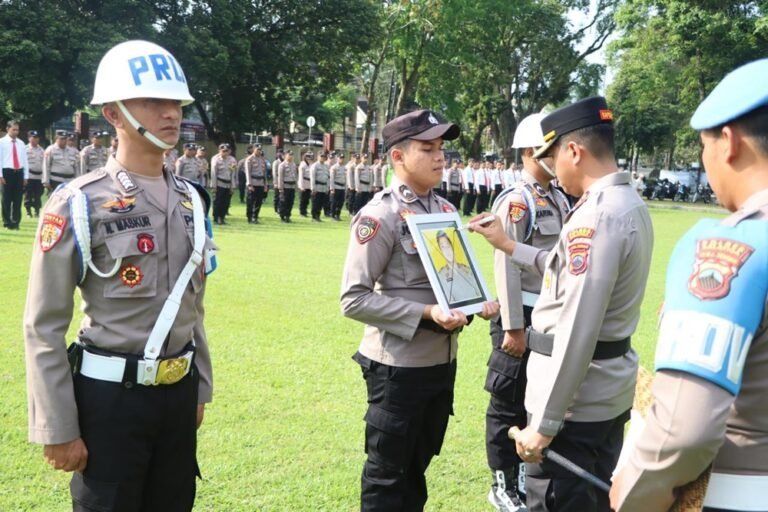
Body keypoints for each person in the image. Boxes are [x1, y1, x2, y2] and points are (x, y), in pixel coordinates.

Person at [23, 39, 215, 511]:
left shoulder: (192, 200)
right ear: (113, 114)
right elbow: (43, 324)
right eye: (152, 101)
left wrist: (199, 387)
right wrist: (57, 425)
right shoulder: (77, 203)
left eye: (177, 103)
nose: (171, 113)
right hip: (109, 401)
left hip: (177, 396)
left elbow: (193, 306)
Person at [470, 96, 653, 512]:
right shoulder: (626, 203)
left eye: (553, 158)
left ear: (574, 151)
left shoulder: (597, 216)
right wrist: (509, 245)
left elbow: (577, 331)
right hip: (603, 395)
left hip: (575, 407)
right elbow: (563, 270)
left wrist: (545, 424)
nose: (552, 169)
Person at [610, 59, 768, 512]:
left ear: (729, 142)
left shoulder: (731, 248)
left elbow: (684, 429)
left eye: (703, 145)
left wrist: (634, 493)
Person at [341, 109, 499, 511]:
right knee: (387, 476)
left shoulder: (445, 211)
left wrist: (478, 303)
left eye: (441, 148)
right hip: (398, 368)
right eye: (427, 149)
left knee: (417, 468)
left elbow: (454, 281)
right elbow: (353, 299)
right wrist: (427, 314)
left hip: (440, 363)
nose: (440, 157)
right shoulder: (380, 216)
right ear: (398, 157)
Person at [484, 113, 571, 512]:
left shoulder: (557, 197)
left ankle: (522, 478)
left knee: (532, 402)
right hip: (520, 317)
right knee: (507, 403)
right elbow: (506, 263)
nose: (557, 156)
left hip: (548, 318)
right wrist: (513, 326)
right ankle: (502, 483)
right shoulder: (517, 201)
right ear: (529, 152)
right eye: (550, 150)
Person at [434, 229, 482, 302]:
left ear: (452, 247)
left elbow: (480, 292)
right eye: (443, 247)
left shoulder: (467, 269)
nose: (447, 250)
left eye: (448, 245)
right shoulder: (441, 276)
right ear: (441, 251)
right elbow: (451, 302)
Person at [0, 120, 29, 229]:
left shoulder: (21, 143)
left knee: (17, 199)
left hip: (18, 172)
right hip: (7, 172)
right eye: (14, 130)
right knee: (6, 199)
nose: (16, 132)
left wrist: (25, 176)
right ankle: (7, 222)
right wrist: (0, 175)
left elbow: (25, 160)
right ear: (7, 129)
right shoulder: (2, 142)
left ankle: (16, 222)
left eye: (17, 130)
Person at [210, 143, 237, 224]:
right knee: (218, 202)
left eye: (227, 151)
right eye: (223, 151)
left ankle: (222, 218)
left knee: (226, 202)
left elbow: (233, 173)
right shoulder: (215, 159)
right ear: (219, 151)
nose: (225, 153)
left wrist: (232, 186)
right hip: (219, 183)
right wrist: (214, 186)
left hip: (228, 184)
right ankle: (216, 218)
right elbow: (213, 173)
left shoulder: (232, 159)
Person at [245, 144, 268, 224]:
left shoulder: (263, 160)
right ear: (254, 149)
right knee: (250, 202)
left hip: (260, 183)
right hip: (253, 183)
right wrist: (249, 184)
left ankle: (255, 217)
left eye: (260, 149)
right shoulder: (249, 159)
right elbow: (248, 172)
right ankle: (250, 217)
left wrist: (265, 185)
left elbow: (264, 174)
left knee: (259, 201)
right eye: (257, 149)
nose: (259, 151)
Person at [25, 130, 45, 218]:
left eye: (37, 138)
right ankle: (28, 211)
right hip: (29, 176)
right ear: (29, 138)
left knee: (38, 194)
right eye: (33, 137)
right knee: (28, 194)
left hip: (39, 176)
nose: (36, 139)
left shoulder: (42, 150)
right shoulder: (25, 149)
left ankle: (37, 210)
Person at [276, 149, 297, 223]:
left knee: (290, 202)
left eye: (292, 155)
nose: (291, 156)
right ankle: (282, 217)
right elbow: (280, 178)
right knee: (283, 202)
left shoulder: (294, 164)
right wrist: (281, 189)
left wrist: (295, 186)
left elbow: (295, 176)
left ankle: (288, 216)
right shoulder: (282, 165)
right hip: (285, 187)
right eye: (289, 155)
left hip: (292, 186)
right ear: (285, 156)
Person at [309, 151, 330, 222]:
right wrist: (313, 188)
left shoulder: (326, 166)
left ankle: (318, 216)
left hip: (323, 187)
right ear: (318, 157)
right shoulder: (315, 166)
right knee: (316, 203)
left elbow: (327, 177)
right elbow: (312, 178)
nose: (323, 158)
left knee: (321, 203)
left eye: (324, 156)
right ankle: (314, 217)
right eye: (321, 156)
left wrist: (327, 187)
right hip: (317, 186)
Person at [330, 152, 346, 221]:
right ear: (337, 158)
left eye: (342, 158)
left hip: (342, 187)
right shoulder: (334, 167)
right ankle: (333, 215)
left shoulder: (344, 167)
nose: (341, 159)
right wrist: (332, 188)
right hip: (336, 187)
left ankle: (337, 215)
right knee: (334, 202)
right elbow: (332, 179)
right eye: (340, 158)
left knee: (341, 202)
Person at [298, 150, 313, 217]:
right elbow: (301, 176)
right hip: (304, 183)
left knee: (307, 199)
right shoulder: (302, 164)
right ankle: (302, 212)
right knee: (303, 199)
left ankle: (305, 211)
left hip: (309, 184)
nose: (309, 158)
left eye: (310, 156)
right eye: (307, 156)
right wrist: (301, 186)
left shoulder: (311, 164)